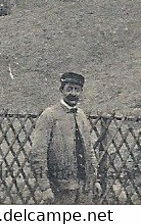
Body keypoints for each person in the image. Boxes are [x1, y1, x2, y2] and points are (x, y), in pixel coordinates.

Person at [31, 71, 97, 204]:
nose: (73, 93)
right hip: (59, 188)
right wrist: (45, 187)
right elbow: (38, 153)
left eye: (77, 90)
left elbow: (89, 150)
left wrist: (94, 180)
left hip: (83, 188)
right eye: (69, 89)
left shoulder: (82, 116)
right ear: (61, 90)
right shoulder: (49, 115)